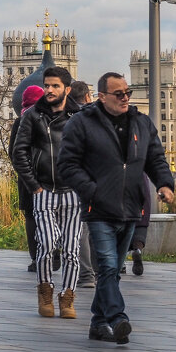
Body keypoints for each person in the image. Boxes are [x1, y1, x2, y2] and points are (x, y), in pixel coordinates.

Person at [58, 71, 175, 345]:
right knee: (109, 267)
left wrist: (164, 184)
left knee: (114, 269)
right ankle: (118, 317)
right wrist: (92, 190)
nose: (125, 98)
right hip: (98, 208)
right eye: (118, 94)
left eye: (127, 92)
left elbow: (155, 158)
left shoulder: (141, 123)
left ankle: (98, 324)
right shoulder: (82, 124)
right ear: (102, 96)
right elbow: (67, 165)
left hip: (131, 207)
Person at [12, 66, 83, 319]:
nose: (49, 90)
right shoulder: (32, 116)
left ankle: (68, 298)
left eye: (55, 86)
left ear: (67, 89)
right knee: (47, 244)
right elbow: (18, 152)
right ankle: (45, 291)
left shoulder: (79, 116)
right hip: (43, 190)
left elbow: (90, 152)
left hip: (73, 192)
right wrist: (34, 185)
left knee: (72, 250)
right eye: (47, 85)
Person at [9, 85, 45, 271]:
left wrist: (24, 172)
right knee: (48, 216)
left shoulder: (20, 121)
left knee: (31, 217)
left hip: (26, 180)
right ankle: (50, 249)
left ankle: (35, 258)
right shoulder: (46, 120)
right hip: (47, 177)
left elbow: (13, 153)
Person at [68, 80, 98, 289]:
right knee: (98, 226)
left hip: (73, 181)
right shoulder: (99, 116)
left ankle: (86, 273)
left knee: (81, 229)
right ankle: (99, 271)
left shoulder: (66, 117)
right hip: (97, 180)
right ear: (88, 96)